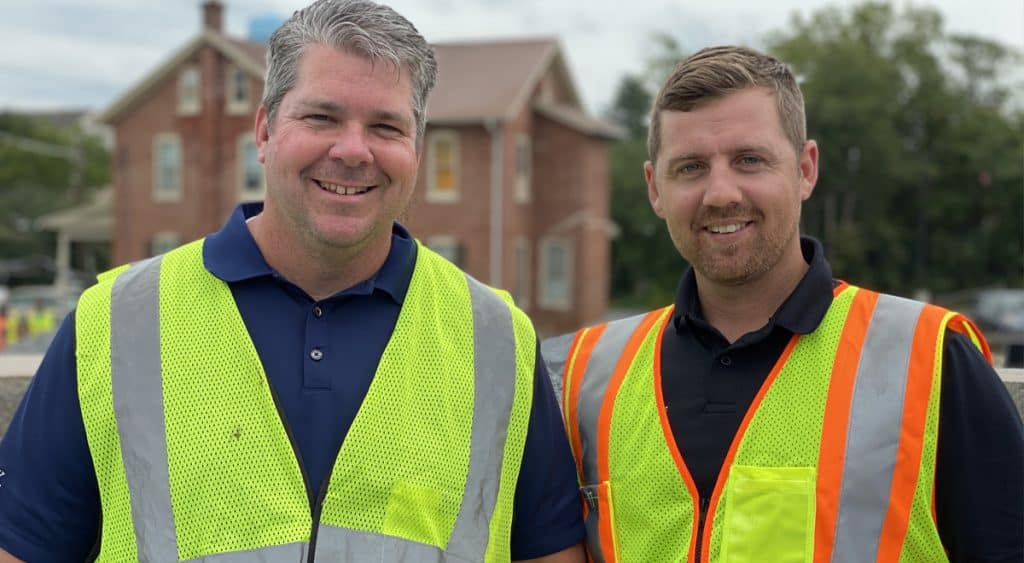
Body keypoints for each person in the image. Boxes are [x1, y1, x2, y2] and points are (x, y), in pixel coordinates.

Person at [0, 1, 585, 561]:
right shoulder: (116, 322)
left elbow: (549, 553)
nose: (353, 151)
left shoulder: (497, 340)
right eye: (321, 117)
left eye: (386, 126)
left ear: (417, 149)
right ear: (264, 131)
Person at [543, 46, 1023, 562]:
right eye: (690, 167)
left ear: (805, 169)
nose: (720, 193)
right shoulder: (582, 378)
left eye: (749, 160)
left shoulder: (930, 359)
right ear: (654, 188)